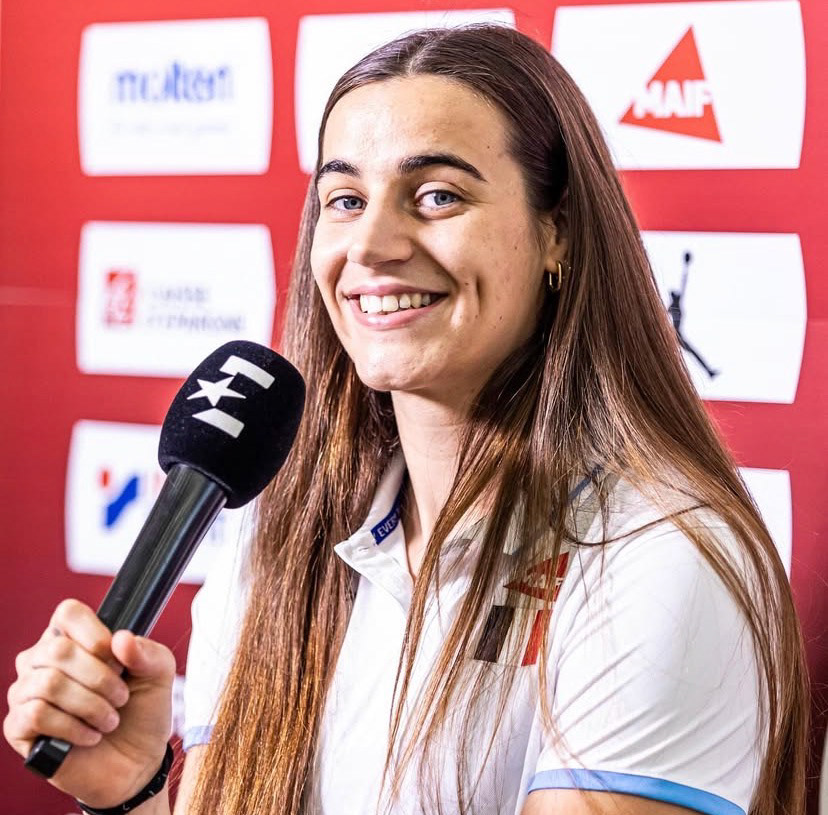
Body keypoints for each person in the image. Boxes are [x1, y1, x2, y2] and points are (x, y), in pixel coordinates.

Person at [3, 24, 807, 815]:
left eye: (437, 195)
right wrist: (130, 792)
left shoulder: (655, 552)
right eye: (346, 200)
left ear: (557, 231)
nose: (372, 244)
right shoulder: (276, 538)